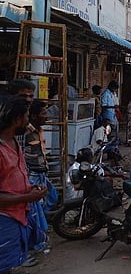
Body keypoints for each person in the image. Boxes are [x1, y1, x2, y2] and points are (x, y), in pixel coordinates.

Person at [0, 95, 48, 273]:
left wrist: (30, 189)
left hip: (19, 214)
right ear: (16, 119)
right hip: (5, 217)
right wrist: (28, 196)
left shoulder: (14, 143)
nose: (29, 122)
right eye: (26, 117)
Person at [25, 100, 58, 213]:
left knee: (51, 197)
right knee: (35, 206)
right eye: (43, 113)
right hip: (32, 175)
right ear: (34, 116)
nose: (46, 116)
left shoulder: (39, 130)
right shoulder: (25, 132)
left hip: (41, 174)